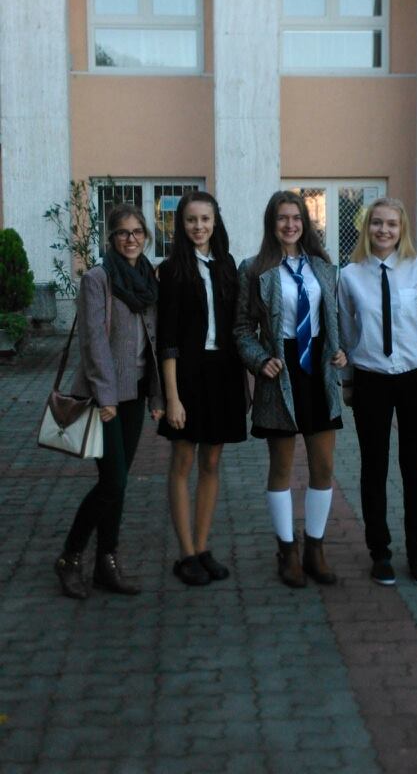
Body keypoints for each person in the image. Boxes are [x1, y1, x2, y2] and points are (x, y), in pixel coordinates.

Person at [234, 190, 346, 588]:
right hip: (279, 371)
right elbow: (242, 328)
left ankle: (315, 547)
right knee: (282, 467)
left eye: (296, 218)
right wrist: (259, 359)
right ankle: (287, 549)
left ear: (305, 222)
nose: (290, 224)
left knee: (324, 466)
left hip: (318, 372)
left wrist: (340, 351)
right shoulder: (254, 269)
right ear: (272, 223)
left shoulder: (323, 266)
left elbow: (334, 318)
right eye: (282, 218)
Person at [54, 204, 164, 600]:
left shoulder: (148, 277)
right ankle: (69, 557)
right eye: (122, 232)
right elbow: (94, 342)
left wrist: (156, 395)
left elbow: (153, 338)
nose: (130, 239)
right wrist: (105, 397)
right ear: (111, 237)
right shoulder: (97, 279)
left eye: (137, 232)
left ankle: (106, 562)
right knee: (113, 480)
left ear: (146, 236)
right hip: (107, 397)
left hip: (136, 392)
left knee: (117, 483)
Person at [338, 197, 417, 587]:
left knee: (414, 467)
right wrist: (348, 381)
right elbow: (347, 331)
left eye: (392, 224)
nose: (384, 230)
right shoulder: (350, 275)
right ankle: (379, 552)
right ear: (368, 228)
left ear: (402, 229)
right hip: (371, 379)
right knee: (373, 466)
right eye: (377, 223)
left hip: (415, 378)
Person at [157, 191, 247, 586]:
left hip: (223, 374)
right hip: (186, 376)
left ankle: (202, 545)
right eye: (191, 220)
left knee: (211, 462)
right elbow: (167, 339)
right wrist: (172, 397)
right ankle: (186, 553)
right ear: (181, 224)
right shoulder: (172, 270)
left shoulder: (226, 265)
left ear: (215, 222)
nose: (199, 227)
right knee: (183, 462)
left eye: (205, 219)